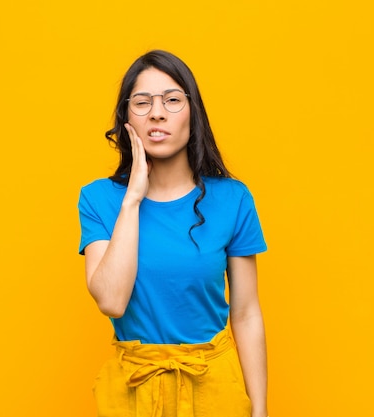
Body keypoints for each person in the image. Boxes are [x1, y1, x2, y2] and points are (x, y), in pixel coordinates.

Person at [78, 50, 268, 417]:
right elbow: (112, 301)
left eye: (172, 100)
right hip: (132, 389)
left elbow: (246, 313)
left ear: (193, 114)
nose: (157, 112)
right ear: (126, 118)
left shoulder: (233, 199)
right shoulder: (99, 198)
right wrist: (133, 198)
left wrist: (259, 410)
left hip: (215, 388)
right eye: (142, 102)